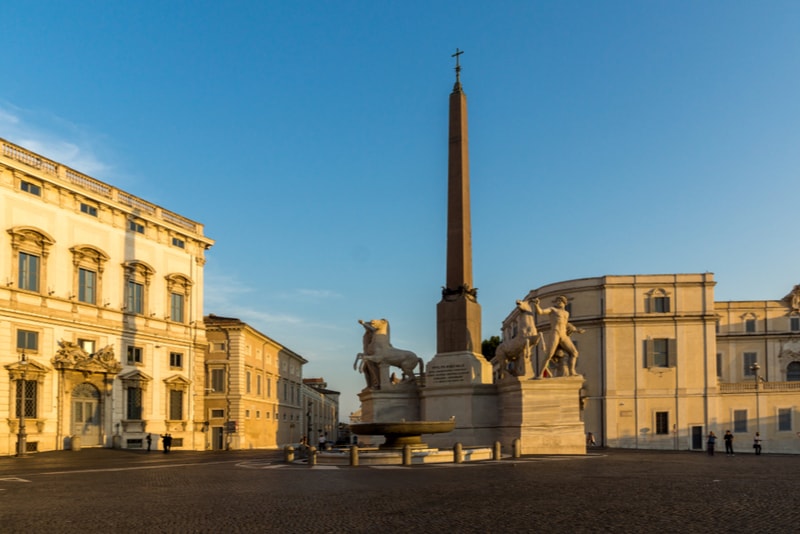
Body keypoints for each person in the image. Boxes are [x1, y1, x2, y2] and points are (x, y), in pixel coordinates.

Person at [532, 296, 583, 377]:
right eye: (557, 300)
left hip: (564, 334)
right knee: (549, 354)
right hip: (555, 332)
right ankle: (540, 374)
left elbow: (566, 324)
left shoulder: (566, 313)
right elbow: (541, 312)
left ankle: (572, 371)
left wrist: (576, 330)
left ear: (564, 302)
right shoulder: (553, 310)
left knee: (574, 353)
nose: (558, 302)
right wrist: (536, 305)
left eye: (560, 300)